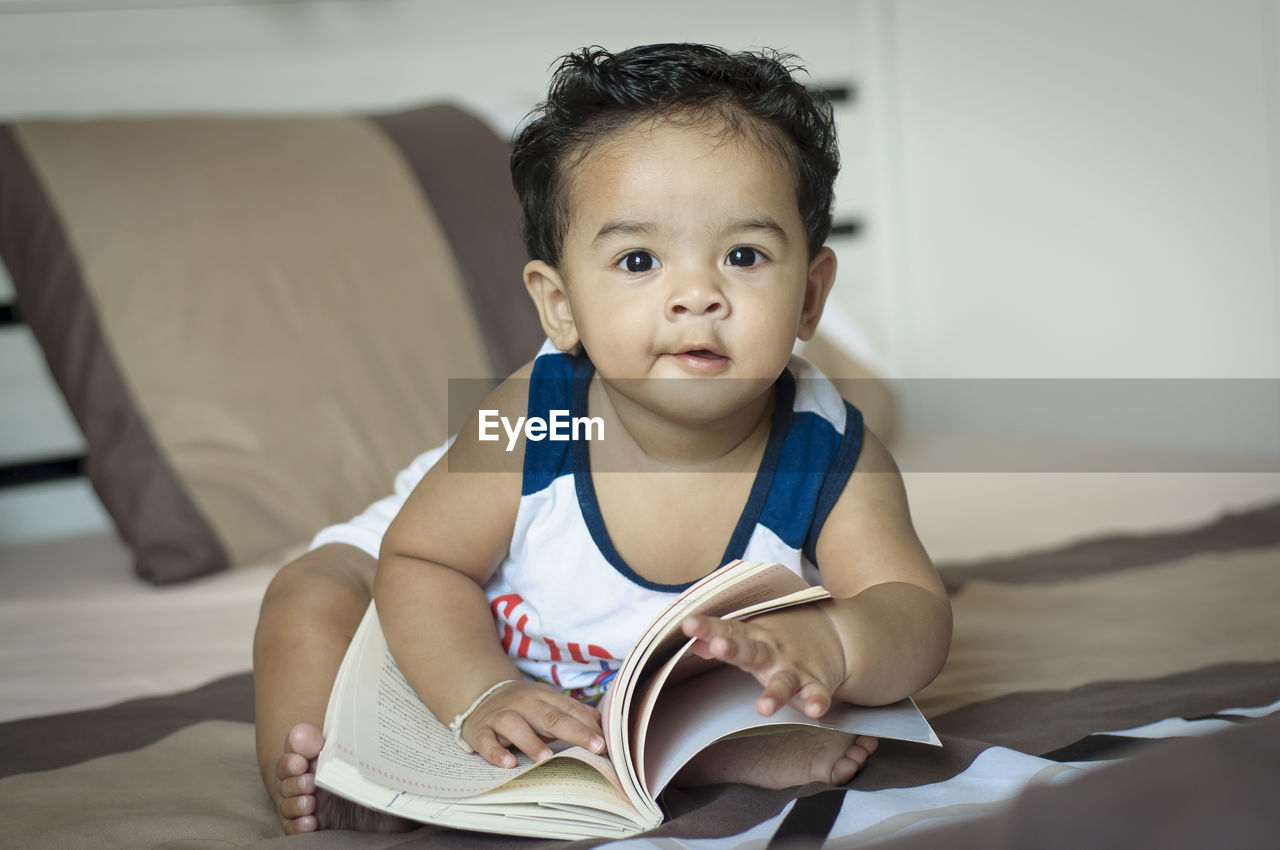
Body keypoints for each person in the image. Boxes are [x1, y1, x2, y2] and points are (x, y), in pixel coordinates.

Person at [253, 42, 952, 836]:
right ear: (561, 306)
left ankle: (692, 750)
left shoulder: (829, 454)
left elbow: (912, 609)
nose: (697, 295)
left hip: (650, 672)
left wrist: (838, 638)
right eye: (640, 259)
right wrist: (479, 689)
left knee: (802, 688)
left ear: (810, 297)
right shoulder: (536, 416)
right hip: (457, 600)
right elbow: (423, 561)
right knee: (309, 598)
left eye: (744, 255)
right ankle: (333, 768)